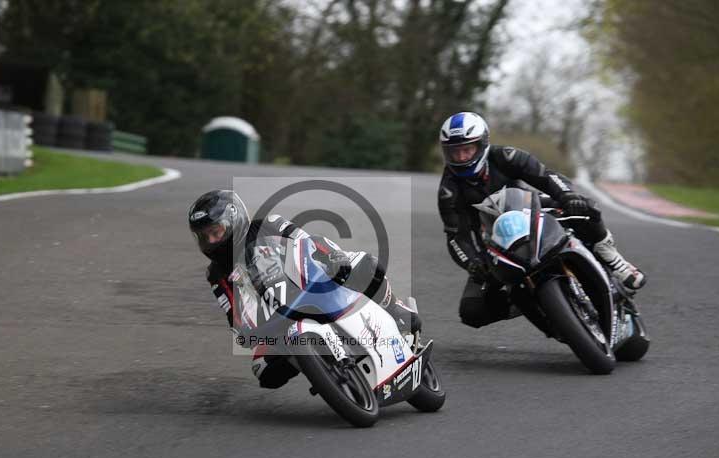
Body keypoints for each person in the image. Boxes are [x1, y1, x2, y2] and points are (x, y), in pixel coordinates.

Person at [188, 189, 420, 388]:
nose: (211, 241)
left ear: (233, 222)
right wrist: (244, 333)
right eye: (204, 237)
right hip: (279, 319)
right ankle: (321, 368)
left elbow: (308, 240)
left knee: (366, 264)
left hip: (314, 281)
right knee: (265, 372)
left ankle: (394, 309)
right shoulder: (215, 274)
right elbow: (233, 314)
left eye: (215, 232)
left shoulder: (269, 224)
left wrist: (333, 258)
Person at [437, 111, 646, 329]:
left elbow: (546, 176)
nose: (461, 158)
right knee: (471, 312)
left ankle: (612, 257)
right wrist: (473, 263)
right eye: (454, 152)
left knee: (585, 207)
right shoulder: (448, 191)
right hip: (494, 245)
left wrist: (567, 195)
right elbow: (455, 238)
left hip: (530, 212)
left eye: (467, 149)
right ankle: (531, 303)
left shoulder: (505, 157)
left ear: (482, 145)